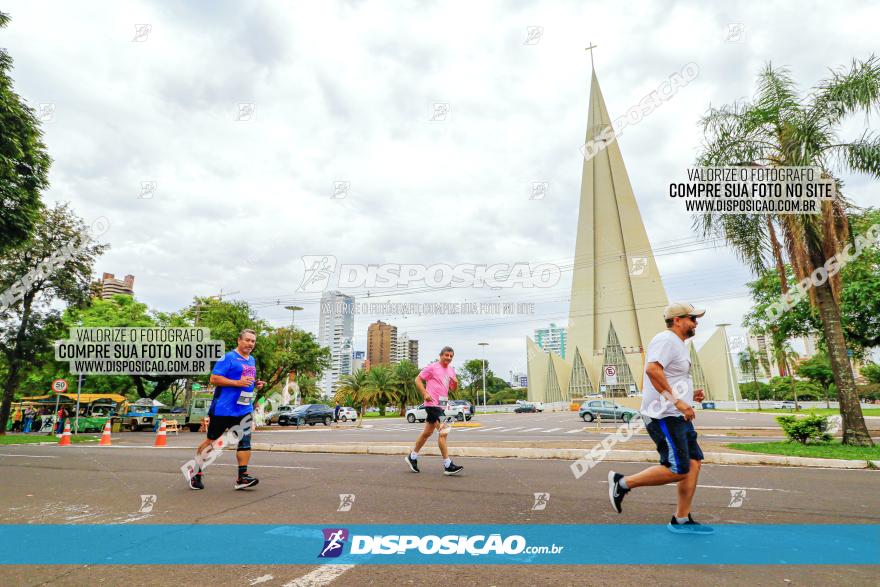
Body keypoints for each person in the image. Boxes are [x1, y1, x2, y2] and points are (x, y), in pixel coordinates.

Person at [607, 302, 713, 534]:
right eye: (692, 318)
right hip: (663, 415)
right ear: (677, 320)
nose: (696, 323)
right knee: (678, 469)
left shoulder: (678, 344)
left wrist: (689, 394)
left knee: (694, 463)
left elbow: (669, 378)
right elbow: (653, 370)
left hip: (677, 415)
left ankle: (681, 520)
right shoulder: (666, 340)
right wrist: (678, 401)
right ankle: (622, 483)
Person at [188, 329, 265, 491]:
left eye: (253, 341)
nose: (250, 344)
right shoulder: (227, 358)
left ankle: (242, 478)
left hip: (244, 408)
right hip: (223, 408)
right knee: (212, 442)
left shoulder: (251, 360)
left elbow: (246, 380)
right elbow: (214, 378)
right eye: (247, 340)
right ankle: (196, 473)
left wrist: (255, 383)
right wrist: (237, 383)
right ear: (239, 340)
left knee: (245, 441)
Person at [405, 346, 464, 475]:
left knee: (427, 433)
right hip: (432, 404)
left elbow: (453, 389)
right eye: (446, 355)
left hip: (441, 405)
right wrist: (425, 393)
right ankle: (448, 465)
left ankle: (412, 457)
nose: (448, 358)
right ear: (441, 355)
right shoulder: (432, 367)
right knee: (444, 430)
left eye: (451, 356)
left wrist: (456, 383)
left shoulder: (451, 370)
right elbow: (417, 379)